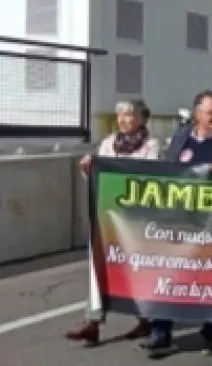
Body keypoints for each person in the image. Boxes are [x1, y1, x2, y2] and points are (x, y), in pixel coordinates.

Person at [143, 90, 212, 357]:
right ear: (197, 114)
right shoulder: (181, 137)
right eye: (211, 112)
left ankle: (211, 334)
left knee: (211, 279)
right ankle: (161, 333)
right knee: (168, 276)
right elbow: (170, 173)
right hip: (180, 222)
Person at [65, 99, 160, 347]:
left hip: (137, 220)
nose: (124, 120)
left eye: (129, 115)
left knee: (137, 270)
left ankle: (146, 318)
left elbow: (151, 178)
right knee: (100, 267)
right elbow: (100, 180)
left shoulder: (151, 146)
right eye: (120, 115)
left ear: (141, 119)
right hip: (109, 218)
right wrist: (89, 168)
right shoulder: (109, 143)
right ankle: (92, 322)